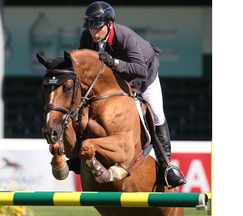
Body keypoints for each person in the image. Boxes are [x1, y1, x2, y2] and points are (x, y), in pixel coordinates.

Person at [70, 1, 186, 188]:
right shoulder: (87, 37)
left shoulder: (125, 36)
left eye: (98, 27)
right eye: (90, 28)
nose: (94, 33)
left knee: (156, 115)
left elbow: (139, 69)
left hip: (144, 77)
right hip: (114, 82)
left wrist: (114, 63)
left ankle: (167, 167)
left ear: (109, 24)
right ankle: (77, 156)